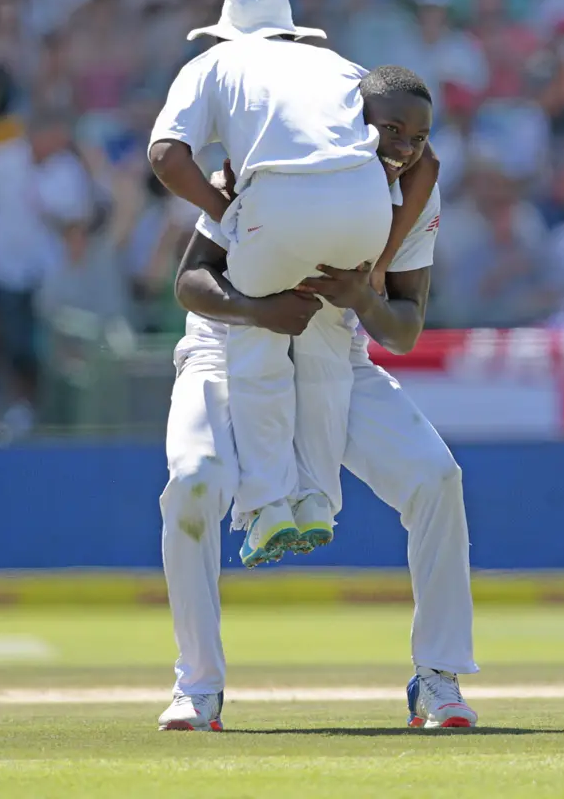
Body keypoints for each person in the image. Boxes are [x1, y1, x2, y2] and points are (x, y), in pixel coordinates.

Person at [157, 70, 478, 733]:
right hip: (229, 345)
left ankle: (439, 681)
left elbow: (406, 328)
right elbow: (190, 281)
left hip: (337, 356)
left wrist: (362, 297)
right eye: (391, 129)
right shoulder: (273, 164)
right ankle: (198, 687)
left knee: (437, 477)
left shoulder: (415, 194)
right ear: (350, 121)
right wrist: (256, 310)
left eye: (418, 136)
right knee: (192, 485)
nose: (405, 147)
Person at [149, 0, 434, 568]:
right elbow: (423, 160)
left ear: (227, 32)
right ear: (294, 30)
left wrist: (222, 209)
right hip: (366, 209)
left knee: (257, 342)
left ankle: (266, 506)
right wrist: (378, 263)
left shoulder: (216, 61)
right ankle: (317, 504)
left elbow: (165, 156)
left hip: (278, 205)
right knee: (326, 348)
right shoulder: (342, 67)